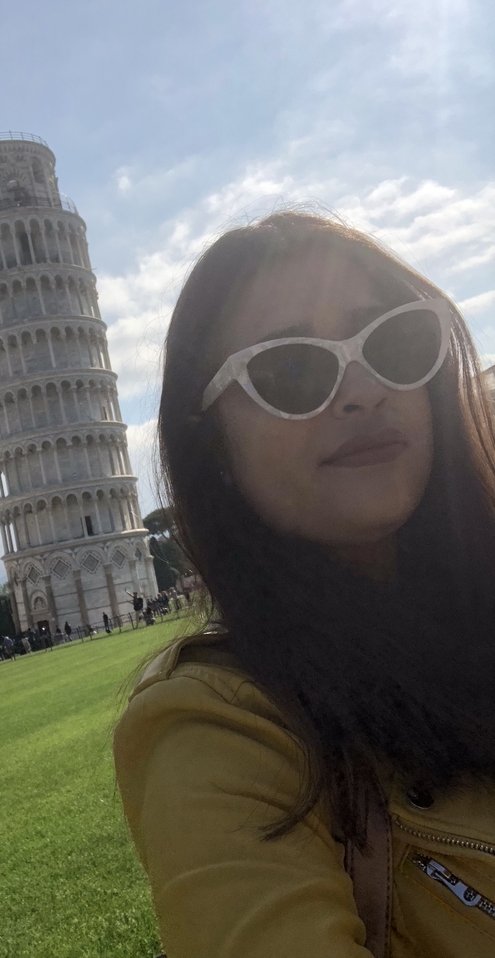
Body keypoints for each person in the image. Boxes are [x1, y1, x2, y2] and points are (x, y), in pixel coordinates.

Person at [113, 211, 495, 957]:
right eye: (291, 370)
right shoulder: (217, 728)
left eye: (395, 342)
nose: (363, 389)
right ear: (213, 446)